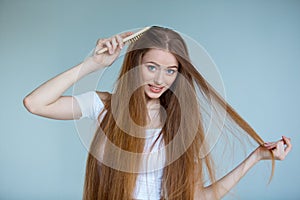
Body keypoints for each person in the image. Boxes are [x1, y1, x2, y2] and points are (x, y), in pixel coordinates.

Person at [23, 26, 292, 200]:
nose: (159, 79)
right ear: (135, 63)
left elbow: (198, 197)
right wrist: (93, 64)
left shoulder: (179, 125)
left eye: (170, 71)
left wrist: (256, 156)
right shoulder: (103, 106)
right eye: (151, 67)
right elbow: (35, 103)